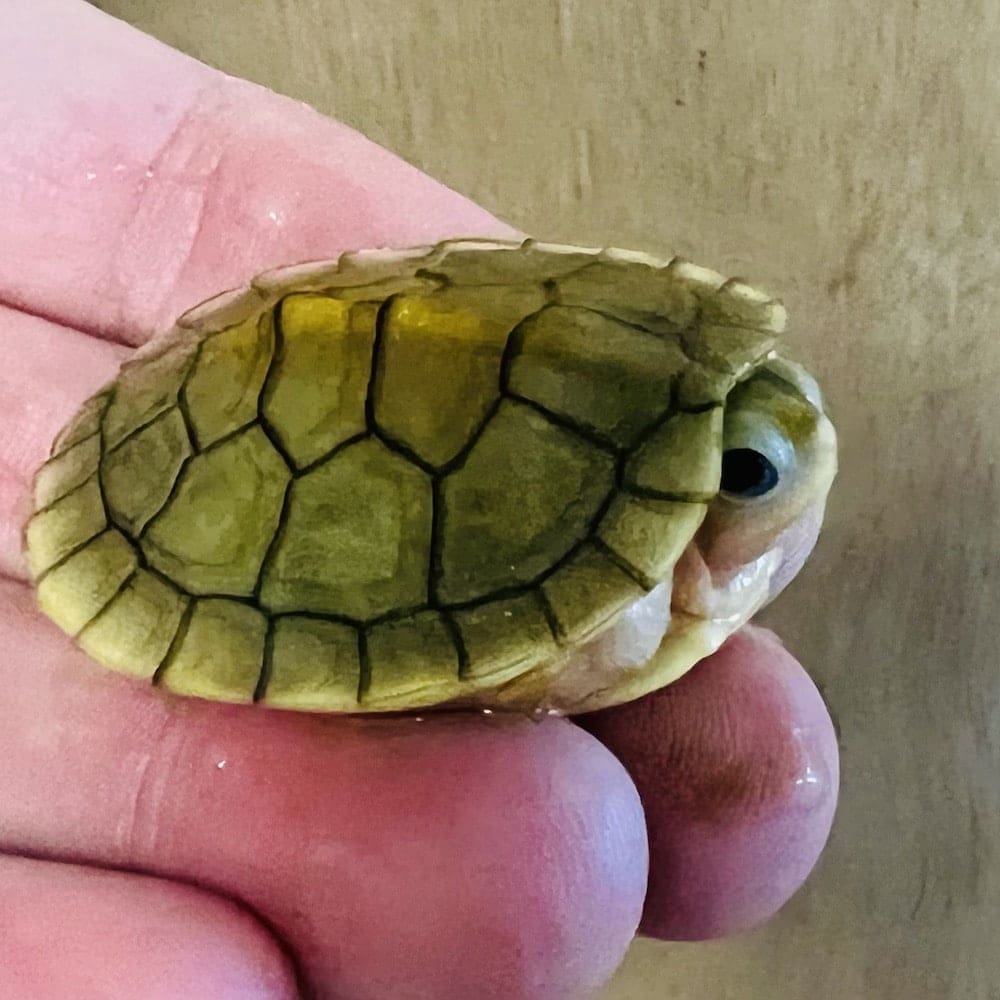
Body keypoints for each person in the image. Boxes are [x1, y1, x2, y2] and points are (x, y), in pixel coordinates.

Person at [0, 3, 838, 997]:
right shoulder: (632, 605)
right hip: (223, 465)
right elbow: (575, 642)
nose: (804, 448)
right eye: (747, 473)